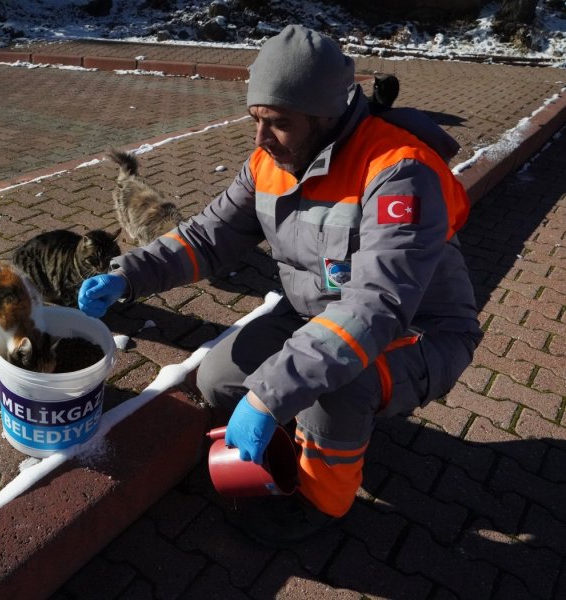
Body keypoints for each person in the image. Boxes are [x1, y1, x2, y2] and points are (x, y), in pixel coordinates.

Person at [78, 24, 482, 544]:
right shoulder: (270, 162)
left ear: (326, 116)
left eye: (279, 123)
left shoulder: (398, 171)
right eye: (256, 120)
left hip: (416, 333)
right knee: (220, 380)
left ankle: (319, 504)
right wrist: (126, 276)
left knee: (339, 382)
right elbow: (207, 238)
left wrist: (270, 396)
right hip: (318, 315)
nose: (261, 139)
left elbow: (376, 307)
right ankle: (306, 429)